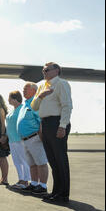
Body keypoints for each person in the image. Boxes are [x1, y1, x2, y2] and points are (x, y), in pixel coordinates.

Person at [31, 62, 73, 203]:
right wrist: (41, 96)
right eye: (43, 70)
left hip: (57, 123)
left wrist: (62, 126)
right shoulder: (42, 86)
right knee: (53, 161)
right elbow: (34, 107)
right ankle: (56, 192)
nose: (44, 72)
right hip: (46, 124)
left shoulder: (61, 84)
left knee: (60, 160)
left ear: (56, 70)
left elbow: (67, 106)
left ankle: (63, 195)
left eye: (47, 70)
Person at [17, 83, 49, 196]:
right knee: (32, 164)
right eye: (23, 88)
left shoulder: (35, 103)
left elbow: (41, 120)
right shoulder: (25, 104)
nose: (23, 90)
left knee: (41, 162)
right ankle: (34, 183)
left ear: (34, 91)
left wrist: (41, 135)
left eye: (26, 88)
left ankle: (43, 186)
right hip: (25, 139)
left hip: (34, 137)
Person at [6, 91, 31, 190]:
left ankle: (26, 181)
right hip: (12, 139)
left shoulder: (22, 108)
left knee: (24, 160)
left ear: (14, 98)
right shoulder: (12, 110)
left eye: (9, 97)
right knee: (16, 161)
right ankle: (20, 179)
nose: (8, 100)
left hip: (20, 139)